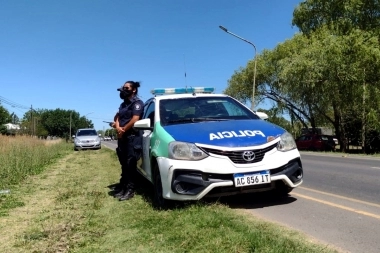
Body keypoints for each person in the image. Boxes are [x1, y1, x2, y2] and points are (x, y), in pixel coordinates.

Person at [112, 81, 144, 201]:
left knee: (130, 165)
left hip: (132, 137)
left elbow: (135, 118)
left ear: (134, 89)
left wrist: (124, 129)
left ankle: (130, 190)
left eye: (126, 88)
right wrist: (118, 127)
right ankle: (124, 187)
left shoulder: (137, 103)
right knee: (124, 164)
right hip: (122, 138)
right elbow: (117, 117)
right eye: (123, 88)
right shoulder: (123, 105)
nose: (123, 90)